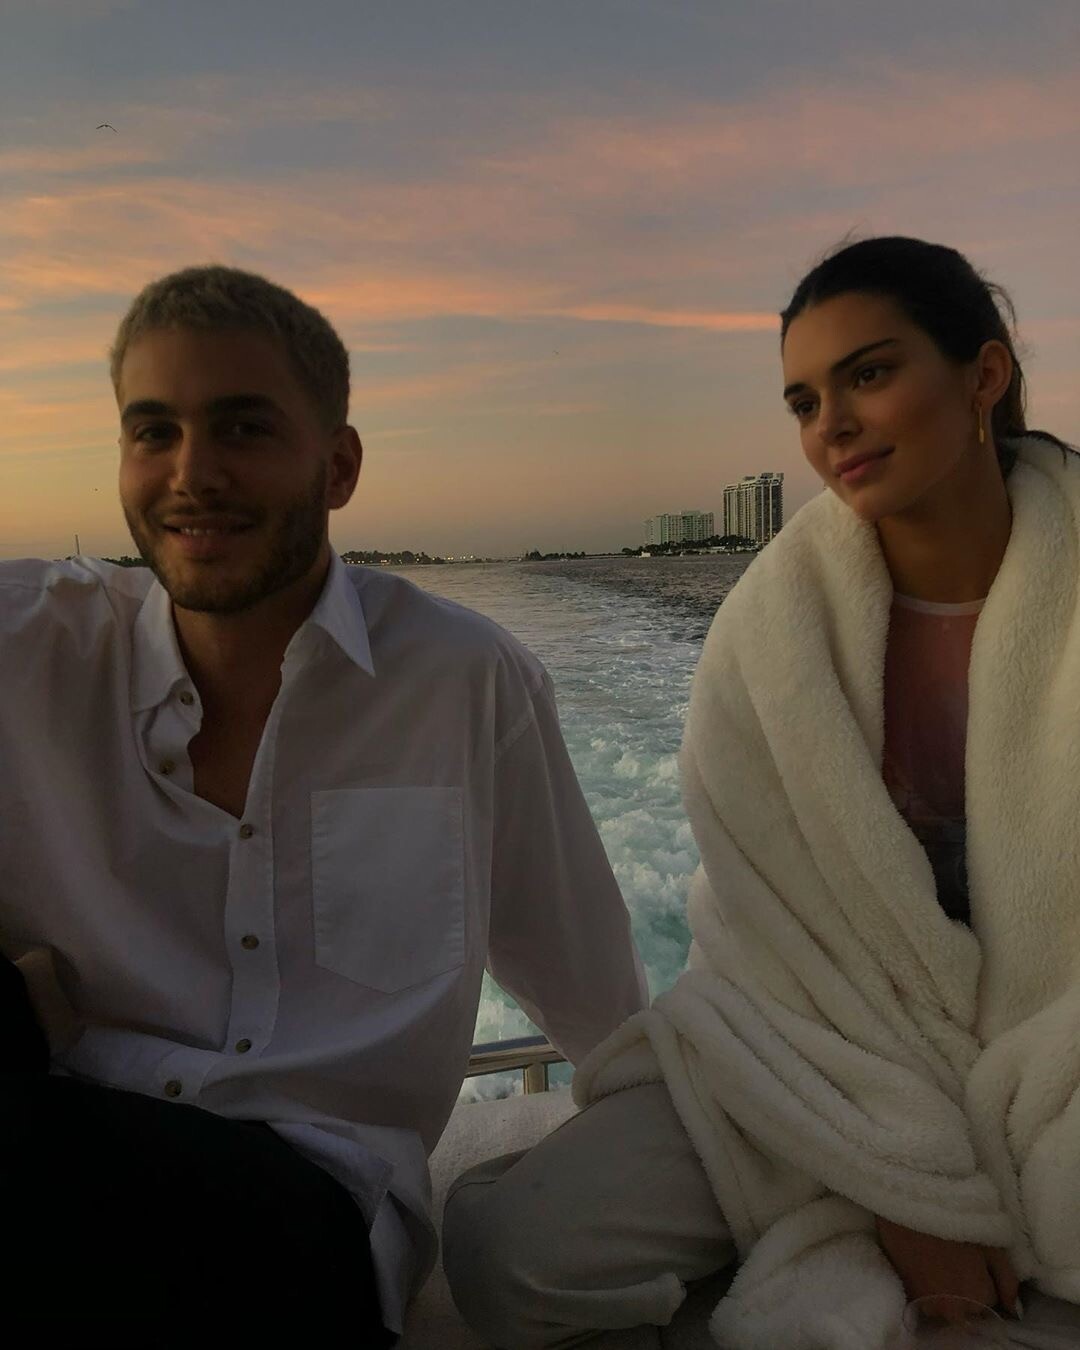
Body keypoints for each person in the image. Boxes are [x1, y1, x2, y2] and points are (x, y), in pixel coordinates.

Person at [442, 235, 1080, 1349]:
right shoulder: (770, 635)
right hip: (810, 1056)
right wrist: (899, 1176)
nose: (831, 425)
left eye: (869, 374)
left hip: (1059, 1059)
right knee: (515, 1255)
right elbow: (776, 935)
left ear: (984, 376)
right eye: (803, 400)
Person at [0, 265, 648, 1345]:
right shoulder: (27, 651)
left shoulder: (460, 683)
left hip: (301, 1211)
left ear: (338, 466)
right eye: (153, 432)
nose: (191, 474)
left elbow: (601, 1002)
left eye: (243, 428)